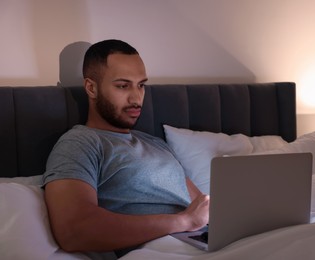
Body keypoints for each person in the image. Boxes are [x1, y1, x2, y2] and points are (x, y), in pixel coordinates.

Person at [43, 39, 209, 256]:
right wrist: (183, 221)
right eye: (123, 86)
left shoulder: (156, 144)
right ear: (91, 88)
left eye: (141, 85)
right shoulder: (80, 143)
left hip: (202, 243)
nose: (136, 98)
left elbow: (200, 208)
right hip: (159, 250)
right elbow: (74, 230)